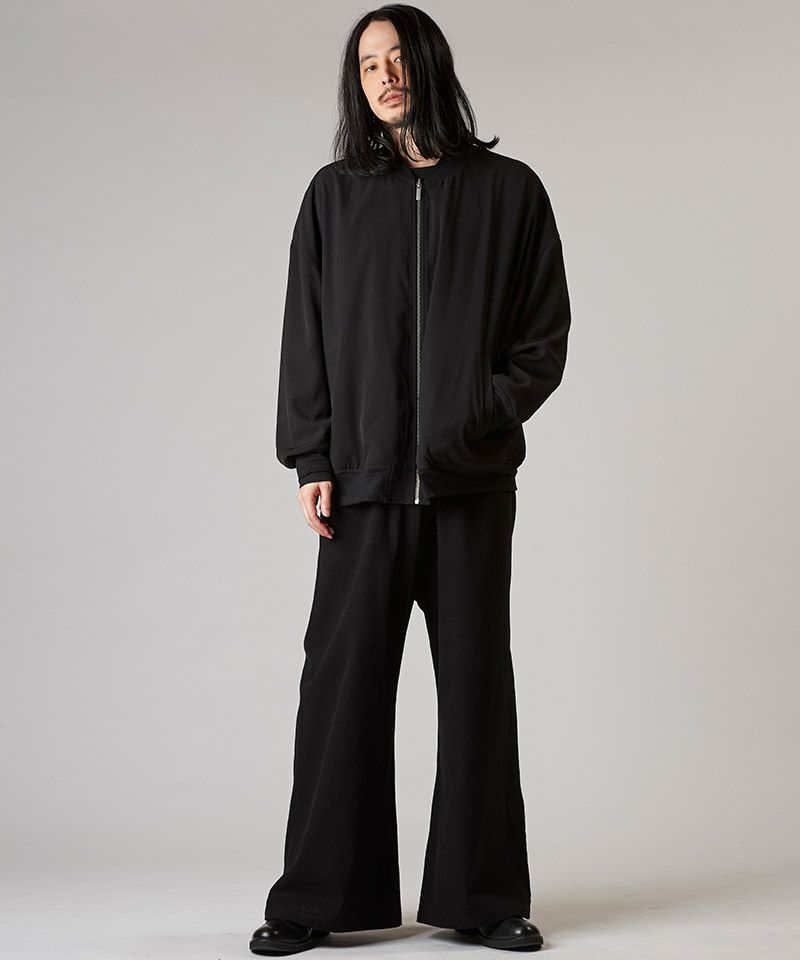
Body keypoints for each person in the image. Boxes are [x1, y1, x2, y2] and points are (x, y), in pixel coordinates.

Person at [250, 4, 571, 954]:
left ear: (430, 64)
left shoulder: (510, 192)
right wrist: (313, 457)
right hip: (361, 485)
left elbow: (543, 339)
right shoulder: (334, 196)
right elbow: (305, 333)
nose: (383, 76)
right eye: (367, 65)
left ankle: (484, 899)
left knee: (476, 691)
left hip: (471, 487)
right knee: (340, 690)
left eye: (396, 58)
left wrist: (476, 417)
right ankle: (316, 899)